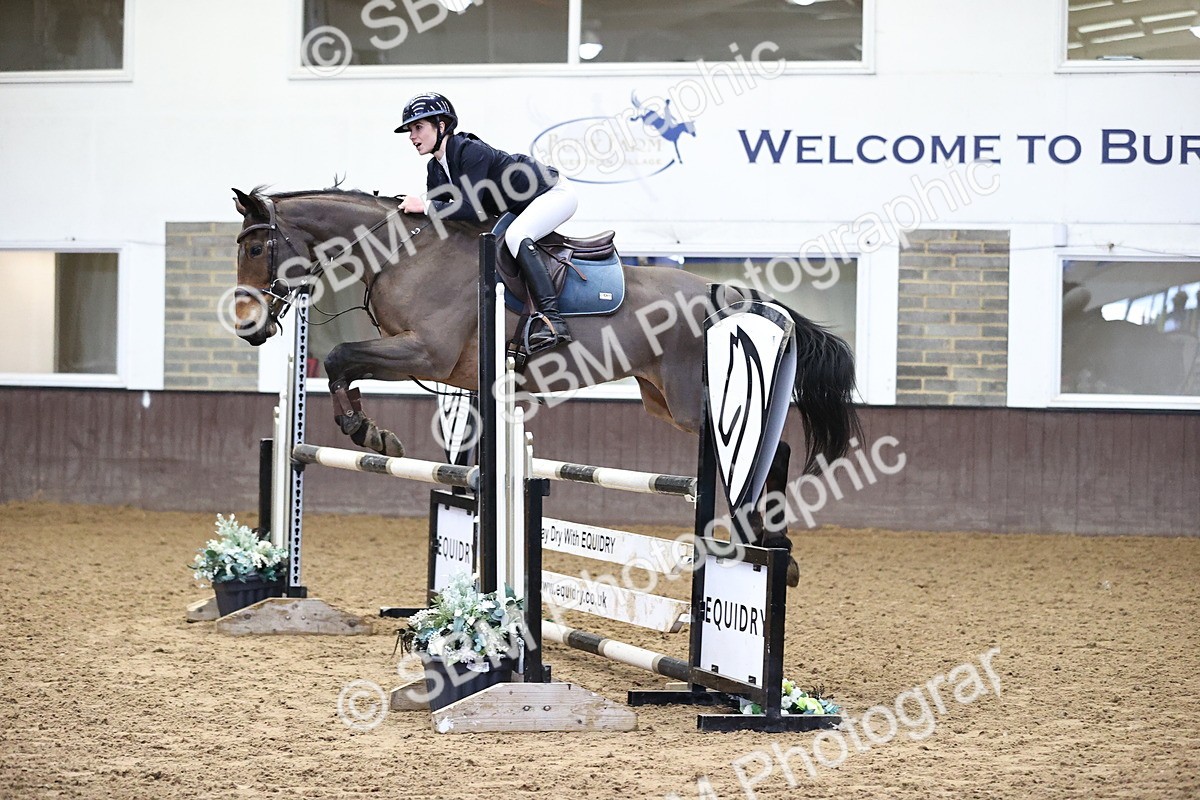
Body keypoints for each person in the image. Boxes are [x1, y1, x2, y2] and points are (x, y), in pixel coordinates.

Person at [396, 92, 576, 353]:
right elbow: (443, 220)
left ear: (442, 126)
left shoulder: (472, 152)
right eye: (410, 130)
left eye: (418, 127)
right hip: (519, 206)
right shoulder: (435, 169)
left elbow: (469, 208)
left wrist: (424, 204)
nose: (412, 136)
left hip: (553, 193)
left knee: (516, 237)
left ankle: (554, 320)